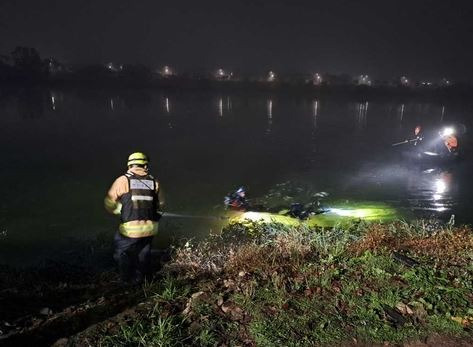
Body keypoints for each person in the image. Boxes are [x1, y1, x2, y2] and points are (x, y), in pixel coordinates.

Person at [104, 152, 163, 285]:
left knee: (121, 252)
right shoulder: (154, 181)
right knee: (144, 253)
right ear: (145, 165)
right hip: (150, 228)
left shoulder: (123, 180)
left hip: (130, 230)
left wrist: (118, 209)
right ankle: (145, 282)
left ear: (130, 165)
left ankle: (127, 281)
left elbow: (109, 202)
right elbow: (161, 204)